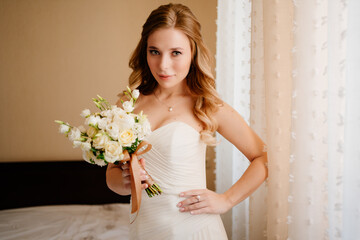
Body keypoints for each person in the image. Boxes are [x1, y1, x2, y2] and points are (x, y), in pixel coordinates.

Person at [106, 3, 268, 240]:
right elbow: (112, 175)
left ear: (193, 53)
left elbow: (263, 158)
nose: (163, 65)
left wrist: (226, 200)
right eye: (154, 51)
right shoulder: (128, 104)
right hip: (145, 229)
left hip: (196, 229)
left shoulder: (206, 105)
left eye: (176, 53)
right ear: (145, 51)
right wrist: (124, 181)